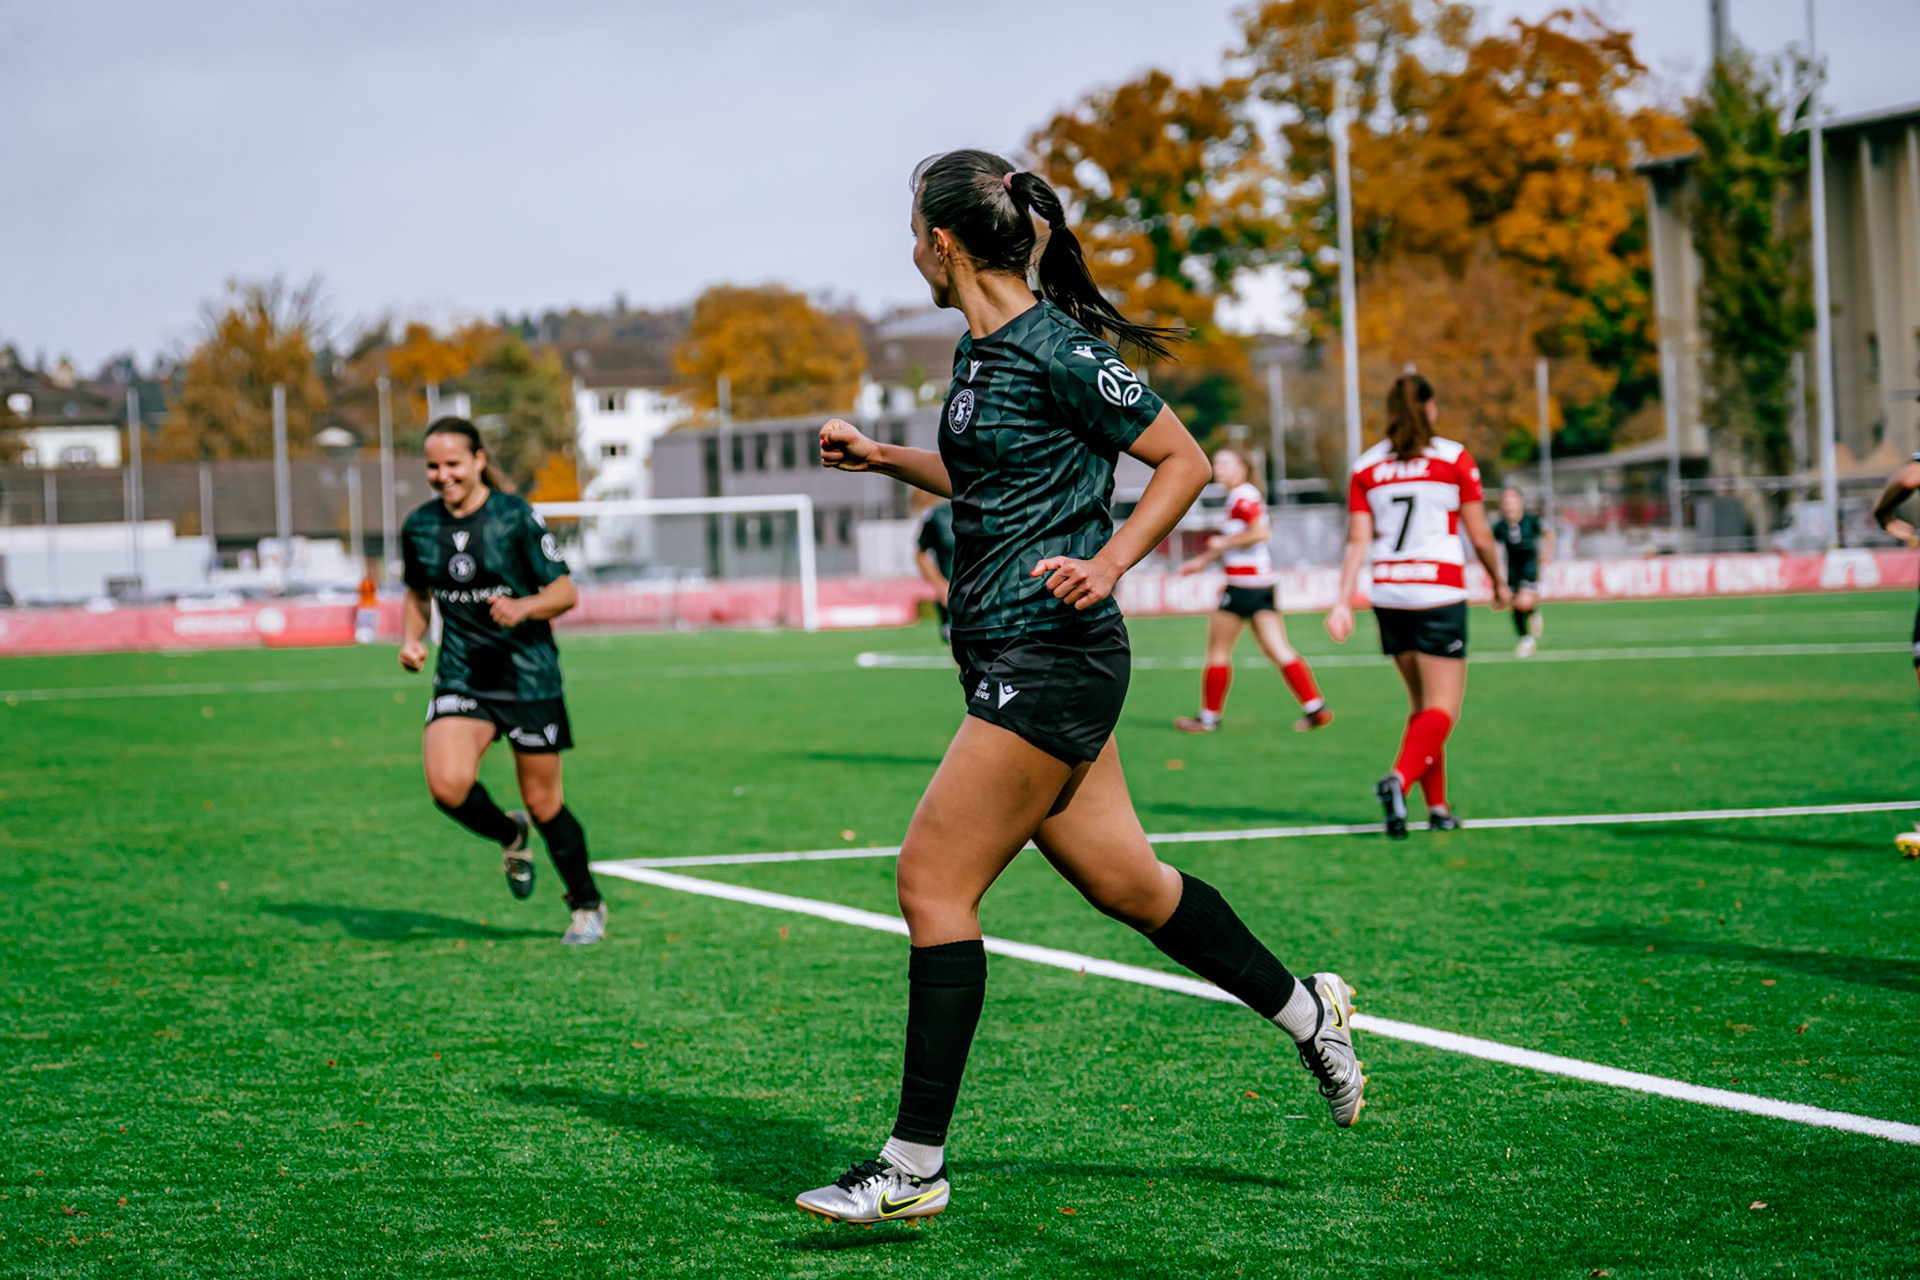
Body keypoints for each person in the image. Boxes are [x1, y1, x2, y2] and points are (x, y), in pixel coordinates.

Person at [794, 150, 1364, 1227]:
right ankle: (1310, 1012)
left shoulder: (1059, 347)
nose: (909, 247)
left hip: (1052, 654)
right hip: (1007, 651)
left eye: (912, 230)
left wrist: (1109, 563)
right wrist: (882, 456)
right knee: (1130, 884)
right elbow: (989, 475)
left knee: (931, 882)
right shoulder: (978, 351)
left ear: (943, 243)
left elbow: (1183, 461)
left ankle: (913, 1165)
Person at [398, 417, 607, 945]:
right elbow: (419, 593)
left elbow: (564, 591)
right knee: (447, 786)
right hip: (462, 676)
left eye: (452, 464)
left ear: (478, 460)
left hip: (528, 677)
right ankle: (509, 833)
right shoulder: (419, 526)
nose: (443, 475)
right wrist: (412, 639)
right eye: (433, 466)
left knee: (544, 802)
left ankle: (587, 904)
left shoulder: (514, 517)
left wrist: (523, 607)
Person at [1325, 375, 1510, 839]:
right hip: (1437, 592)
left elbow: (1357, 541)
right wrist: (1499, 582)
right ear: (1430, 408)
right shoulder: (1453, 458)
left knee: (1423, 708)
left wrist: (1343, 601)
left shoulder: (1367, 466)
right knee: (1444, 709)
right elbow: (1479, 535)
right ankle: (1399, 781)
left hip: (1389, 593)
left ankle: (1439, 808)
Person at [1173, 447, 1332, 734]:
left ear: (1242, 468)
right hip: (1262, 583)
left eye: (1225, 463)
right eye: (1217, 463)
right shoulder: (1243, 495)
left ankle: (1208, 719)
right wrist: (1202, 561)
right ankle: (1315, 707)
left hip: (1242, 585)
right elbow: (1242, 537)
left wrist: (1222, 543)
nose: (1218, 468)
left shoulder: (1242, 496)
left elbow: (1260, 533)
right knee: (1278, 649)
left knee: (1218, 652)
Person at [1491, 487, 1553, 657]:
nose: (1508, 506)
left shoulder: (1531, 521)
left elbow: (1549, 533)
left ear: (1520, 503)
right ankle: (1527, 636)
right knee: (1514, 604)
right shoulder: (1500, 526)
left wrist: (1547, 553)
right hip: (1512, 569)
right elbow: (1491, 544)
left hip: (1530, 567)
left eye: (1511, 502)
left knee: (1521, 602)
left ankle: (1529, 626)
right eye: (1505, 502)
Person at [914, 492, 957, 643]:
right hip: (953, 599)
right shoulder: (939, 516)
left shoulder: (988, 511)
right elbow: (921, 555)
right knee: (959, 649)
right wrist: (941, 586)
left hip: (984, 595)